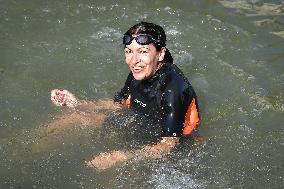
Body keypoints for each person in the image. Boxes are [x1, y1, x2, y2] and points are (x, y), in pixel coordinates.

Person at [50, 22, 200, 170]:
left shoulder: (173, 89)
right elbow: (118, 104)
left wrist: (119, 157)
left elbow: (168, 145)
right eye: (128, 51)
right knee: (76, 117)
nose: (133, 61)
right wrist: (78, 103)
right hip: (141, 124)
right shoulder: (138, 73)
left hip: (177, 149)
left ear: (161, 54)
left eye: (142, 51)